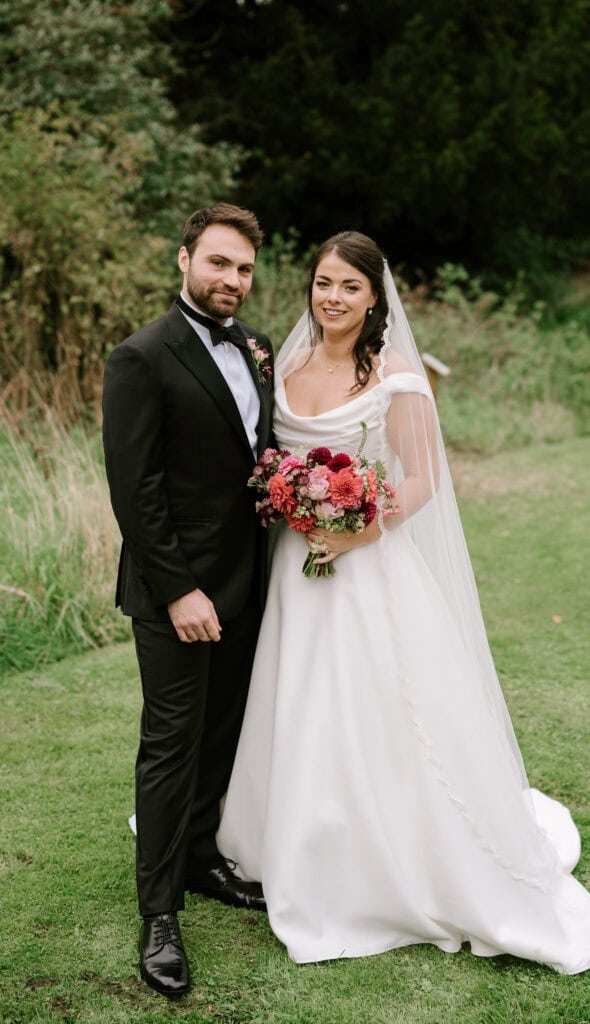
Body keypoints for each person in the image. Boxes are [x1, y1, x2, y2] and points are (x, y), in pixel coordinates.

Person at [216, 231, 590, 974]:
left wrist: (356, 531)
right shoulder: (286, 364)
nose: (331, 298)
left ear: (375, 300)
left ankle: (385, 858)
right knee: (296, 700)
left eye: (349, 288)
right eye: (322, 282)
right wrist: (294, 504)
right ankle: (288, 839)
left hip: (365, 566)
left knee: (374, 710)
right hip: (294, 564)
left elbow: (424, 480)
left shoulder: (395, 376)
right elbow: (274, 459)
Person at [102, 203, 274, 997]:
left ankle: (202, 860)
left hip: (248, 582)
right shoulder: (140, 357)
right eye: (218, 264)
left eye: (242, 269)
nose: (232, 281)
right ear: (183, 260)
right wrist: (179, 593)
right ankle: (159, 913)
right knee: (170, 745)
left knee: (221, 735)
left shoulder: (253, 347)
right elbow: (134, 493)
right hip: (178, 593)